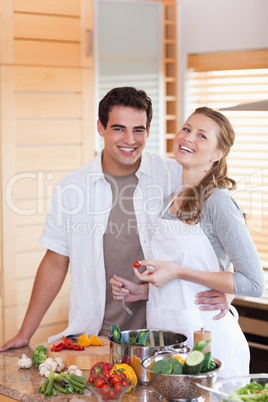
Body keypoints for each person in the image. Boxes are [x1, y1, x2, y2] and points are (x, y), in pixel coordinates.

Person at [0, 89, 232, 352]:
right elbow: (55, 263)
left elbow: (220, 239)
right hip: (96, 336)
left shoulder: (174, 175)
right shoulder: (72, 188)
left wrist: (228, 292)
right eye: (119, 129)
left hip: (168, 333)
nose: (129, 140)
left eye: (139, 130)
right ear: (101, 127)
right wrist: (24, 333)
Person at [114, 107, 264, 377]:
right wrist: (144, 292)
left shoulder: (218, 202)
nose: (188, 137)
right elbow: (182, 283)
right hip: (168, 343)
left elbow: (253, 282)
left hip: (210, 348)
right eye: (186, 129)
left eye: (202, 135)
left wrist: (180, 271)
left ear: (218, 154)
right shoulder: (171, 200)